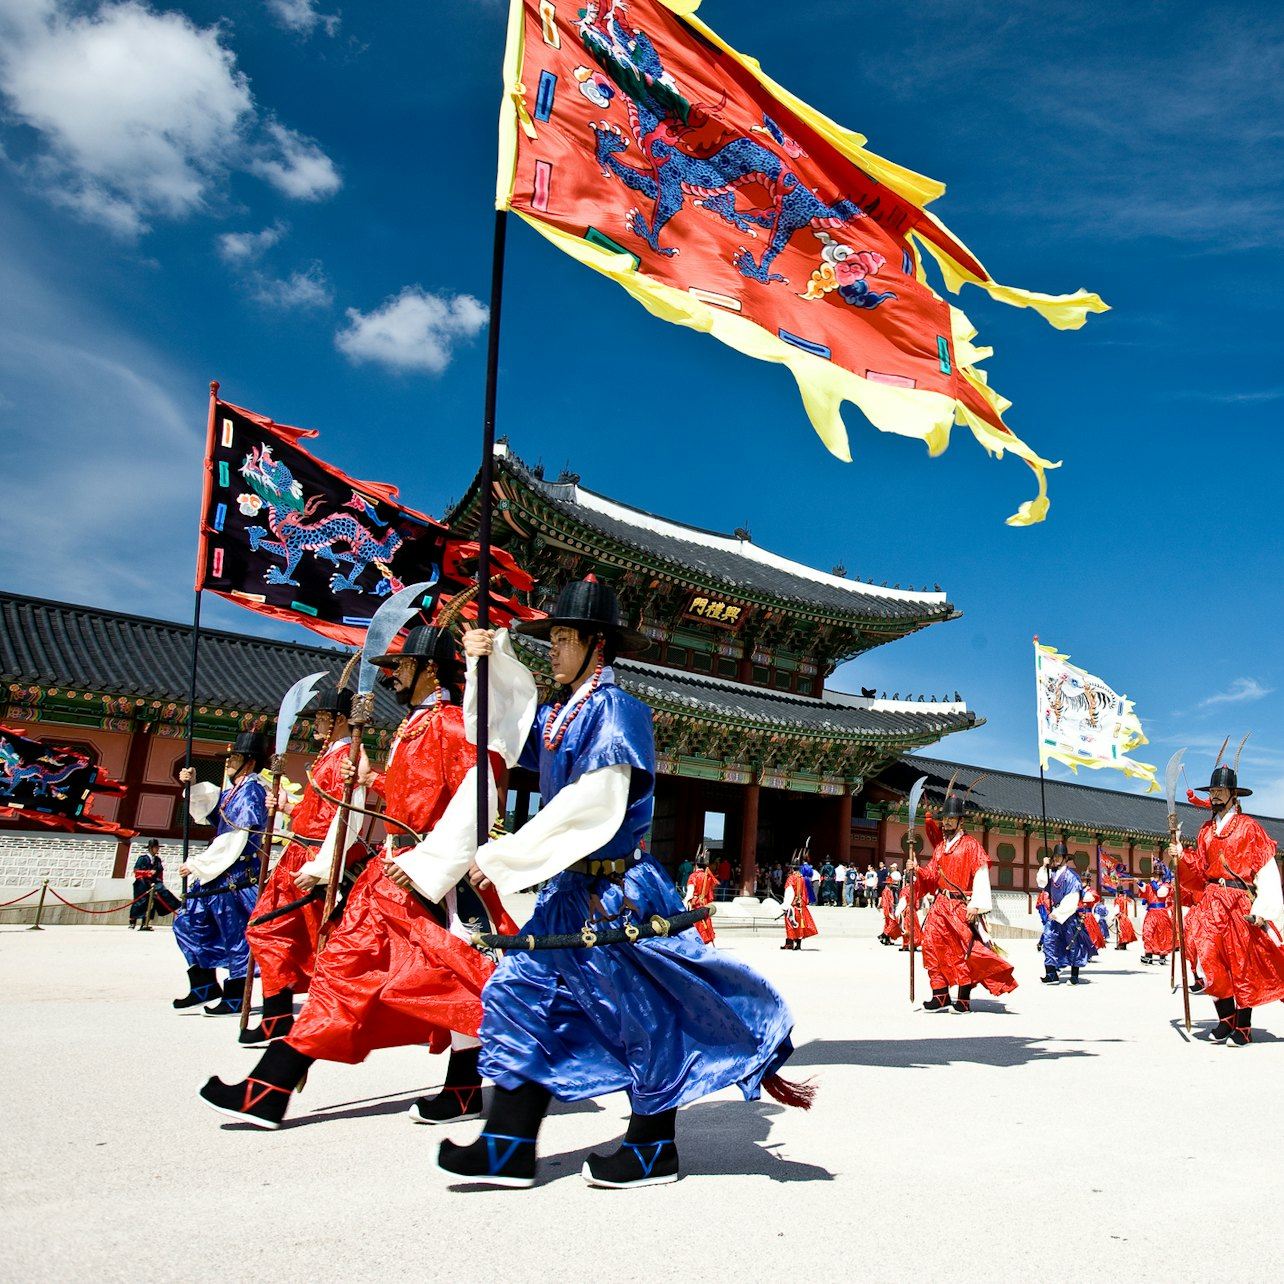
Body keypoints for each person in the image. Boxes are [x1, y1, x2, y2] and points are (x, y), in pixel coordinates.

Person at [435, 578, 809, 1189]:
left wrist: (509, 854)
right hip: (567, 894)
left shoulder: (617, 709)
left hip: (617, 894)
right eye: (552, 638)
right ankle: (506, 1145)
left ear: (596, 644)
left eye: (564, 639)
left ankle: (652, 1146)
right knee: (519, 995)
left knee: (641, 1015)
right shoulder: (560, 715)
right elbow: (500, 732)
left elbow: (595, 801)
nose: (553, 650)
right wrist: (487, 664)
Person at [198, 622, 514, 1128]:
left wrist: (430, 865)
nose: (393, 677)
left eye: (402, 666)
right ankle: (457, 1090)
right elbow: (414, 794)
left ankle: (271, 1088)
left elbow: (482, 792)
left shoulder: (454, 725)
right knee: (363, 973)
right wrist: (373, 781)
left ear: (430, 670)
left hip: (425, 876)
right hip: (390, 872)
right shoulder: (415, 726)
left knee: (425, 977)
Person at [238, 685, 370, 1047]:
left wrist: (324, 867)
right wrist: (286, 807)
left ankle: (293, 1017)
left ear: (338, 720)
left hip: (313, 859)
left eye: (322, 718)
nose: (316, 725)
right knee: (276, 933)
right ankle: (278, 1015)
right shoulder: (329, 755)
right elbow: (316, 813)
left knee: (275, 931)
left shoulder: (349, 758)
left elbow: (348, 817)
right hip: (298, 854)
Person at [1173, 752, 1284, 1045]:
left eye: (1220, 790)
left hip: (1238, 901)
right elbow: (1198, 872)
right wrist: (1180, 856)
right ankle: (1225, 1018)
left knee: (1241, 962)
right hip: (1211, 901)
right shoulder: (1206, 831)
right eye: (1212, 791)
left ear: (1234, 795)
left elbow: (1266, 870)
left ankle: (1243, 1026)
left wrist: (1264, 910)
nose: (1215, 795)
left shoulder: (1249, 827)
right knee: (1206, 956)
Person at [172, 733, 269, 1015]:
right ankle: (203, 984)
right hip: (218, 875)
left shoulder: (252, 791)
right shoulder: (235, 790)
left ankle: (236, 996)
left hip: (236, 875)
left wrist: (199, 863)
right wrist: (192, 786)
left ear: (249, 762)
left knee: (235, 935)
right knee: (188, 923)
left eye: (235, 758)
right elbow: (212, 809)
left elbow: (236, 837)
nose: (229, 763)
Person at [909, 795, 1017, 1013]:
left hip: (961, 906)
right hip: (939, 905)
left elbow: (981, 875)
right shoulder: (940, 847)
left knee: (961, 951)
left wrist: (976, 905)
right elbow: (932, 875)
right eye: (945, 818)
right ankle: (940, 995)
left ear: (961, 821)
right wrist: (917, 869)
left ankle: (963, 999)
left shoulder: (971, 846)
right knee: (931, 945)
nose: (947, 822)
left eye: (952, 818)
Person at [1037, 842, 1097, 984]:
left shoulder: (1072, 876)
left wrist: (1058, 912)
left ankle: (1074, 975)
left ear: (1065, 858)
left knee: (1073, 943)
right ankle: (1051, 973)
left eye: (1059, 856)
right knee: (1049, 940)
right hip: (1054, 913)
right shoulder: (1052, 874)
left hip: (1067, 914)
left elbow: (1072, 898)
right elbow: (1041, 883)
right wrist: (1044, 866)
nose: (1056, 858)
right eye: (1055, 856)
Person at [1138, 864, 1175, 966]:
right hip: (1151, 913)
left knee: (1162, 934)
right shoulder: (1150, 885)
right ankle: (1148, 955)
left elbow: (1160, 893)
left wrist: (1153, 882)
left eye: (1157, 875)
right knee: (1148, 932)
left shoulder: (1165, 886)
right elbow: (1144, 889)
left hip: (1161, 913)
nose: (1155, 877)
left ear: (1161, 876)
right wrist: (1139, 883)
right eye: (1154, 875)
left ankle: (1162, 956)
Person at [782, 856, 819, 951]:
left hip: (793, 905)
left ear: (791, 868)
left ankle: (789, 943)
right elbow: (805, 892)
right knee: (800, 925)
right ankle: (798, 945)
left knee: (790, 924)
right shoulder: (802, 878)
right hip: (801, 905)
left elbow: (789, 892)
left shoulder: (791, 878)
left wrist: (786, 905)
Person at [684, 852, 718, 944]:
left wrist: (685, 901)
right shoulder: (708, 876)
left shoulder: (693, 876)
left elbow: (690, 893)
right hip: (704, 902)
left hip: (695, 903)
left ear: (696, 865)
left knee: (695, 922)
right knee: (704, 921)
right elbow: (710, 893)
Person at [129, 839, 162, 930]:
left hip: (152, 883)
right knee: (139, 901)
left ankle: (145, 922)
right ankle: (133, 921)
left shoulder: (157, 860)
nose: (157, 849)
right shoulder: (142, 858)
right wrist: (147, 872)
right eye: (156, 847)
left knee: (151, 903)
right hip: (141, 882)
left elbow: (159, 871)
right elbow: (136, 871)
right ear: (151, 848)